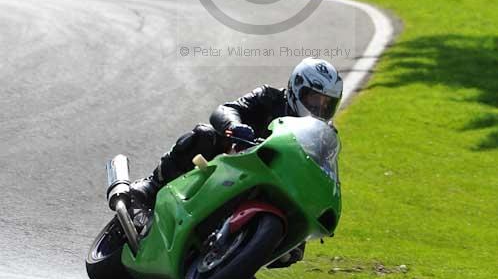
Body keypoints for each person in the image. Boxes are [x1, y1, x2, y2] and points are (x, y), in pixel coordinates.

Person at [131, 58, 344, 267]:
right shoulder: (269, 97)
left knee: (295, 248)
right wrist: (235, 126)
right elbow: (225, 109)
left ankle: (243, 248)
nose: (320, 108)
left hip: (279, 183)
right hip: (235, 160)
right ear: (297, 88)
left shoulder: (323, 136)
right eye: (315, 99)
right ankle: (151, 186)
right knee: (204, 135)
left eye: (328, 104)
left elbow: (324, 168)